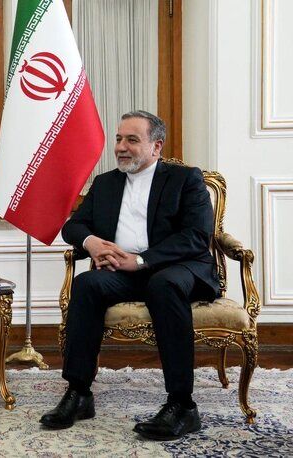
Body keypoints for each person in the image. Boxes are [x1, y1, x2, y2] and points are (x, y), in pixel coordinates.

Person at [39, 110, 219, 441]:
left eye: (132, 140)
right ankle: (79, 393)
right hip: (124, 271)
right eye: (119, 138)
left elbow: (196, 236)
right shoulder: (106, 183)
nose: (121, 147)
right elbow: (74, 226)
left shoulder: (185, 179)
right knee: (86, 284)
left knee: (163, 284)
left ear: (156, 146)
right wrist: (92, 243)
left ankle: (182, 405)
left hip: (178, 268)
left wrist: (140, 260)